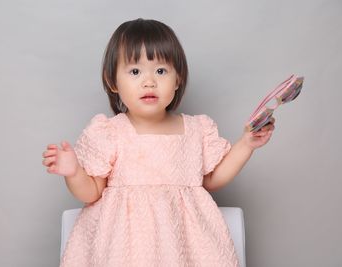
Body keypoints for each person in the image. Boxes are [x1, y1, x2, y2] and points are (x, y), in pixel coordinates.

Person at [42, 18, 275, 267]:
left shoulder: (196, 130)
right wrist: (73, 171)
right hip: (126, 250)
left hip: (186, 246)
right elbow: (91, 192)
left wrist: (246, 144)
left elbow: (212, 180)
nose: (149, 81)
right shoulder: (111, 132)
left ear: (177, 80)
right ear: (113, 82)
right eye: (135, 71)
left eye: (161, 71)